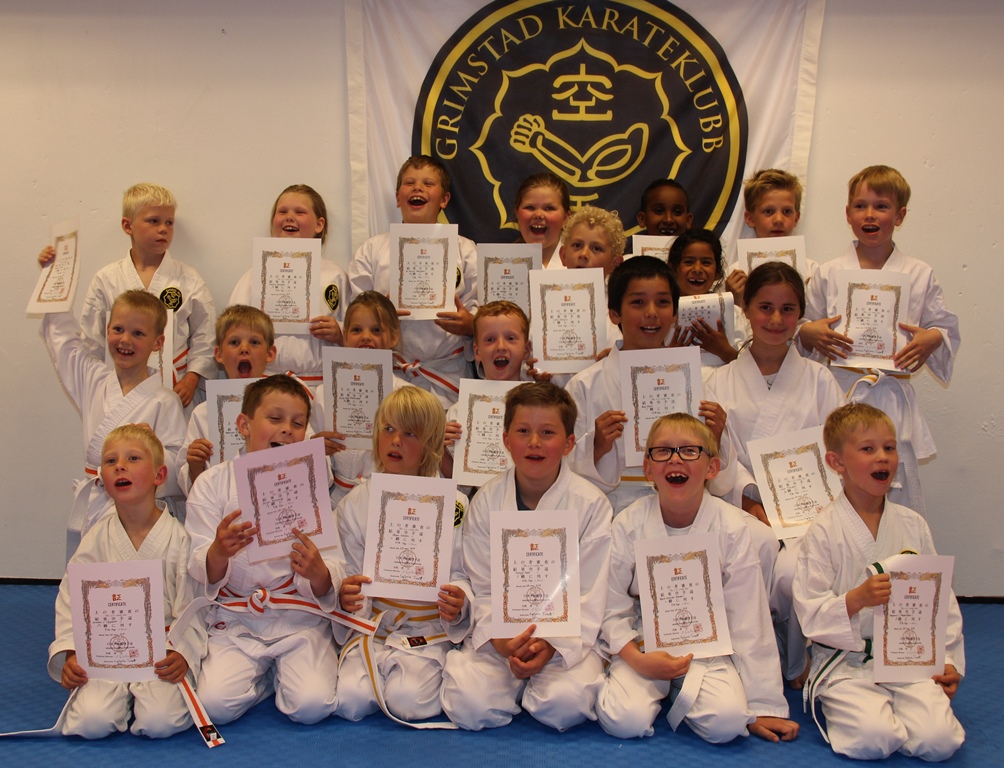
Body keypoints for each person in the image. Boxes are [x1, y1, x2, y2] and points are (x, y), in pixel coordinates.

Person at [596, 414, 798, 744]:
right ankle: (655, 685)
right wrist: (636, 658)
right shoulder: (628, 524)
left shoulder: (731, 527)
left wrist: (763, 705)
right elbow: (612, 604)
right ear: (648, 469)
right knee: (624, 720)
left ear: (712, 468)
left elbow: (749, 618)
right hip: (643, 643)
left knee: (728, 724)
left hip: (706, 647)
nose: (675, 459)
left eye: (690, 451)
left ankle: (681, 690)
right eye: (663, 451)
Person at [793, 403, 965, 761]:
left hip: (908, 659)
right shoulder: (823, 530)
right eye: (868, 448)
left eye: (889, 447)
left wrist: (947, 659)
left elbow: (940, 600)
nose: (882, 457)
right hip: (846, 663)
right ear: (836, 462)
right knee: (874, 739)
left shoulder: (913, 524)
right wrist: (855, 599)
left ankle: (904, 712)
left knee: (940, 741)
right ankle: (872, 713)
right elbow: (809, 609)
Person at [440, 382, 612, 731]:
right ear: (506, 439)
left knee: (564, 706)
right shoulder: (486, 500)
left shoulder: (592, 505)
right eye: (523, 431)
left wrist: (550, 644)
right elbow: (482, 584)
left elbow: (591, 592)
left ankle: (532, 683)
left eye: (547, 432)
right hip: (501, 636)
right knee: (469, 705)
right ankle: (511, 682)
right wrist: (503, 641)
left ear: (568, 443)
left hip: (564, 638)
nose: (534, 442)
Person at [705, 262, 845, 688]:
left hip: (809, 509)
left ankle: (797, 653)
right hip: (741, 505)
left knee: (792, 571)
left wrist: (803, 505)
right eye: (765, 307)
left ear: (801, 313)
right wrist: (751, 498)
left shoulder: (821, 381)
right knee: (753, 551)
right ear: (746, 308)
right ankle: (751, 655)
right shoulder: (717, 381)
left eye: (788, 309)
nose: (776, 320)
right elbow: (717, 455)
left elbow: (838, 452)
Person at [797, 165, 960, 516]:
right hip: (840, 393)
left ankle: (896, 549)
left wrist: (932, 338)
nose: (869, 214)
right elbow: (803, 323)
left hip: (891, 395)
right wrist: (807, 332)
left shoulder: (919, 273)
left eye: (881, 206)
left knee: (893, 487)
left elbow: (943, 327)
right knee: (837, 484)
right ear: (848, 214)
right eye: (860, 206)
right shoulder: (828, 272)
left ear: (899, 216)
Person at [185, 375, 343, 725]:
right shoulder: (212, 483)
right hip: (238, 620)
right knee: (214, 706)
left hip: (298, 618)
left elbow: (334, 563)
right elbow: (197, 562)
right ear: (244, 424)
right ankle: (265, 681)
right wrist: (219, 552)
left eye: (298, 423)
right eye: (275, 418)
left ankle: (283, 673)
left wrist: (319, 574)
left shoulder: (312, 482)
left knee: (312, 707)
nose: (287, 429)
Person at [48, 426, 206, 738]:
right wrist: (72, 650)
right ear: (102, 478)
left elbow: (193, 606)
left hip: (161, 652)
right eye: (110, 461)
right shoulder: (96, 539)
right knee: (90, 722)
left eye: (133, 458)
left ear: (159, 475)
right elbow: (71, 598)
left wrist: (183, 653)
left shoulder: (178, 538)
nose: (120, 466)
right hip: (106, 652)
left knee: (159, 722)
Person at [334, 387, 469, 723]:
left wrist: (460, 600)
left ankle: (440, 667)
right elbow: (347, 570)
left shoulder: (455, 504)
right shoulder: (355, 503)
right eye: (388, 429)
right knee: (350, 701)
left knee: (408, 702)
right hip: (375, 624)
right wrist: (347, 593)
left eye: (410, 433)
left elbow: (465, 572)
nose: (395, 441)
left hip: (428, 628)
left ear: (432, 443)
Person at [565, 256, 729, 514]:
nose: (651, 312)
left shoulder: (693, 380)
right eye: (638, 302)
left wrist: (716, 436)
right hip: (614, 506)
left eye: (662, 302)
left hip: (687, 503)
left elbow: (720, 475)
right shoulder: (584, 385)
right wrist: (597, 447)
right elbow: (563, 466)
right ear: (615, 313)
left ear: (674, 314)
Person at [39, 183, 217, 409]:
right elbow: (92, 341)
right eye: (154, 221)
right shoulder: (107, 279)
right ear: (127, 225)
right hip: (120, 392)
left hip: (175, 392)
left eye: (169, 222)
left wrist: (192, 379)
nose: (163, 229)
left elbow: (206, 335)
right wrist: (54, 273)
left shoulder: (188, 279)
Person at [39, 288, 186, 559]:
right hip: (96, 505)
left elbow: (177, 467)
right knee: (96, 573)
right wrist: (56, 283)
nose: (125, 340)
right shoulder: (94, 380)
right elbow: (65, 346)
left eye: (138, 333)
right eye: (118, 329)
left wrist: (153, 449)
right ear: (107, 331)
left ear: (158, 342)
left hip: (140, 513)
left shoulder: (165, 401)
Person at [349, 155, 478, 408]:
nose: (418, 188)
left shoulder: (465, 249)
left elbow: (480, 306)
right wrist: (377, 318)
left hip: (447, 376)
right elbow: (354, 312)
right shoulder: (372, 249)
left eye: (428, 183)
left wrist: (470, 324)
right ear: (398, 198)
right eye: (409, 183)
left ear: (444, 199)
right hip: (391, 374)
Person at [228, 184, 348, 380]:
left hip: (317, 382)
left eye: (300, 212)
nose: (289, 217)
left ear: (319, 225)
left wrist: (339, 332)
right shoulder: (255, 276)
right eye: (282, 211)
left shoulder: (334, 276)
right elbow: (231, 329)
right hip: (265, 379)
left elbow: (357, 329)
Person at [177, 305, 278, 495]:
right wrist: (195, 463)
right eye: (234, 342)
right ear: (219, 354)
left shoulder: (285, 406)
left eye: (254, 342)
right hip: (220, 505)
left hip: (274, 497)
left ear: (270, 353)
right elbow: (193, 488)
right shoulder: (203, 413)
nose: (244, 349)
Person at [327, 291, 414, 505]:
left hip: (386, 501)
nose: (366, 337)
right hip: (334, 501)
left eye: (376, 330)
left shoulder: (408, 398)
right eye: (357, 330)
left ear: (394, 337)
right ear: (345, 335)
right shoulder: (325, 393)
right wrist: (318, 450)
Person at [442, 301, 531, 480]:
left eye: (510, 338)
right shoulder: (459, 413)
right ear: (477, 351)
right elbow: (457, 482)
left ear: (526, 349)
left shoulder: (543, 406)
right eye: (490, 340)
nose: (500, 346)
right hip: (481, 496)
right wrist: (440, 448)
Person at [726, 169, 816, 306]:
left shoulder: (813, 272)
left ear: (796, 218)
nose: (779, 219)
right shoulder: (735, 275)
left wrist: (812, 298)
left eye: (787, 211)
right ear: (750, 218)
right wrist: (733, 299)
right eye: (768, 211)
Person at [667, 228, 747, 377]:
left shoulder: (733, 313)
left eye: (706, 262)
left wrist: (723, 350)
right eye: (689, 262)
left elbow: (752, 369)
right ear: (673, 268)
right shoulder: (662, 313)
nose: (697, 269)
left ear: (717, 272)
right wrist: (668, 356)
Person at [513, 172, 571, 269]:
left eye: (549, 208)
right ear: (517, 214)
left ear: (566, 218)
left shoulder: (583, 264)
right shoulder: (499, 264)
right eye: (530, 207)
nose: (538, 215)